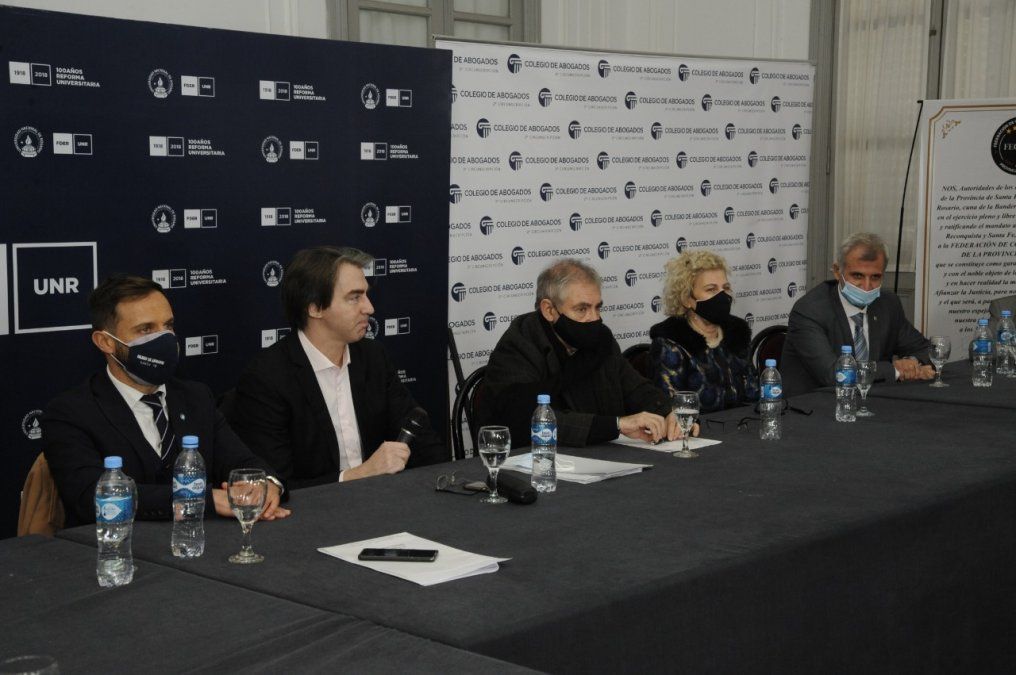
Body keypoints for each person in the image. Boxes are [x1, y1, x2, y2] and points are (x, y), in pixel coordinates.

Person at [43, 275, 289, 528]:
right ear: (106, 342)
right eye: (146, 329)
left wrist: (267, 484)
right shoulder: (72, 412)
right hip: (114, 553)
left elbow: (243, 462)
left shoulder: (195, 397)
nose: (164, 339)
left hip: (197, 547)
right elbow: (89, 496)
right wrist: (200, 500)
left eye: (168, 326)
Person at [228, 246, 446, 490]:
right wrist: (360, 474)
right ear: (315, 308)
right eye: (354, 297)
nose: (369, 308)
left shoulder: (373, 357)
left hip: (384, 504)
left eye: (366, 295)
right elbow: (274, 485)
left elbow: (423, 442)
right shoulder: (267, 378)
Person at [479, 258, 693, 449]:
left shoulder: (600, 340)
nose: (594, 318)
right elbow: (531, 419)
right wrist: (617, 425)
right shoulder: (520, 344)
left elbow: (636, 388)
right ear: (549, 310)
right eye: (582, 309)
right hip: (536, 463)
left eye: (597, 308)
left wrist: (669, 412)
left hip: (600, 456)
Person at [781, 232, 934, 396]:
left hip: (873, 402)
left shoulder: (887, 304)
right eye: (857, 275)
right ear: (837, 271)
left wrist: (911, 363)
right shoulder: (810, 311)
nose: (866, 286)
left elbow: (926, 349)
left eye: (875, 277)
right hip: (813, 407)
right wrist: (895, 370)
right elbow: (834, 375)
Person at [649, 250, 759, 412]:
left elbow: (753, 392)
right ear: (687, 299)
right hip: (698, 432)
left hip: (743, 426)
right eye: (711, 289)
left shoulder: (737, 334)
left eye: (726, 288)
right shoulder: (670, 344)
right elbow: (671, 408)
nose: (722, 296)